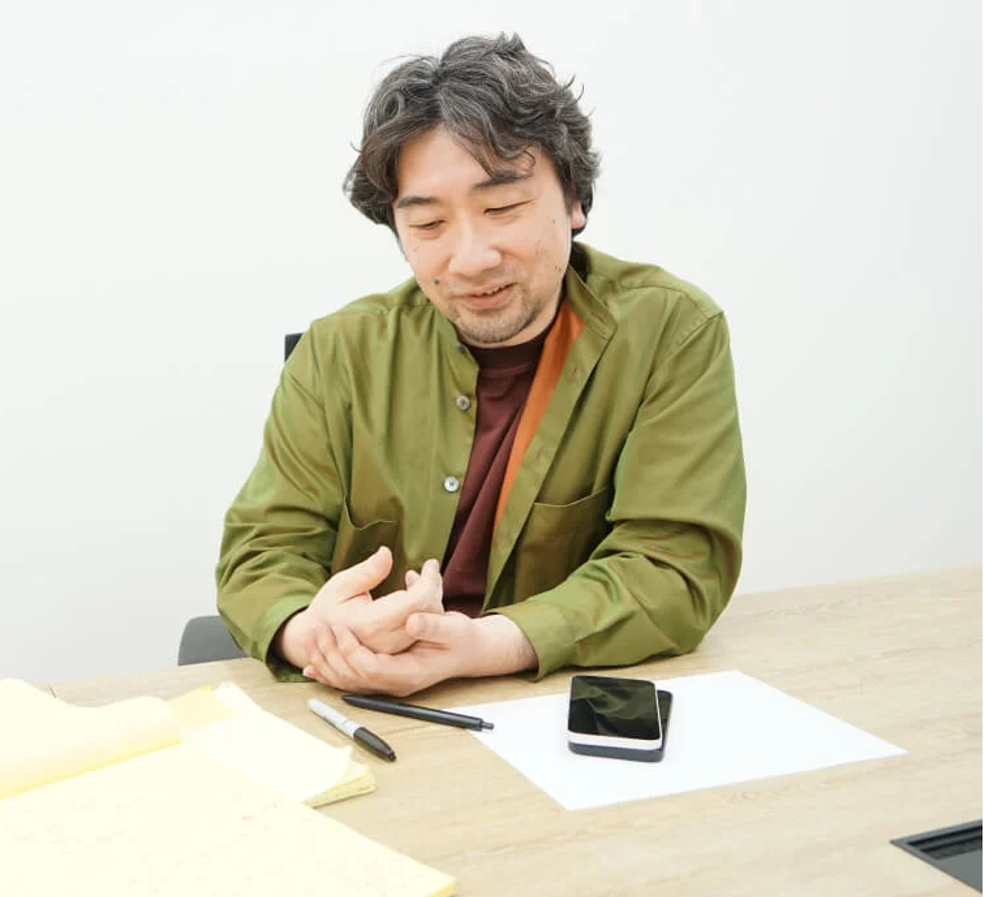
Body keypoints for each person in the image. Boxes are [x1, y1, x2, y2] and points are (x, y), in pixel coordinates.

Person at [214, 33, 746, 697]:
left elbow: (675, 567)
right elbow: (261, 554)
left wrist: (482, 645)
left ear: (573, 200)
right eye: (428, 226)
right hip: (365, 708)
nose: (470, 258)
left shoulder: (670, 331)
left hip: (549, 701)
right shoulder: (338, 352)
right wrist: (315, 632)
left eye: (502, 209)